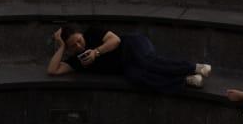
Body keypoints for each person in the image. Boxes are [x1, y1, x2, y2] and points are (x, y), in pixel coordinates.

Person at [48, 27, 211, 91]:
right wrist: (61, 46)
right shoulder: (76, 61)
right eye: (73, 46)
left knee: (147, 61)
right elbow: (53, 70)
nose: (79, 46)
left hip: (131, 44)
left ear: (81, 34)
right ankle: (187, 79)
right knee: (138, 78)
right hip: (126, 66)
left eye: (79, 40)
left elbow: (115, 40)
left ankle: (195, 67)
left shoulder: (92, 32)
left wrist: (96, 52)